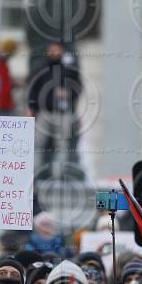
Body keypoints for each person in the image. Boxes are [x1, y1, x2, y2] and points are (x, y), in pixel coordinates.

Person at [27, 42, 83, 181]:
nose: (54, 52)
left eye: (56, 49)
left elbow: (78, 88)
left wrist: (68, 95)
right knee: (38, 144)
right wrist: (31, 108)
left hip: (63, 114)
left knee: (62, 145)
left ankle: (59, 175)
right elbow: (34, 89)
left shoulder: (69, 69)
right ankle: (35, 174)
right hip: (45, 112)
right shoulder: (42, 69)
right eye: (51, 49)